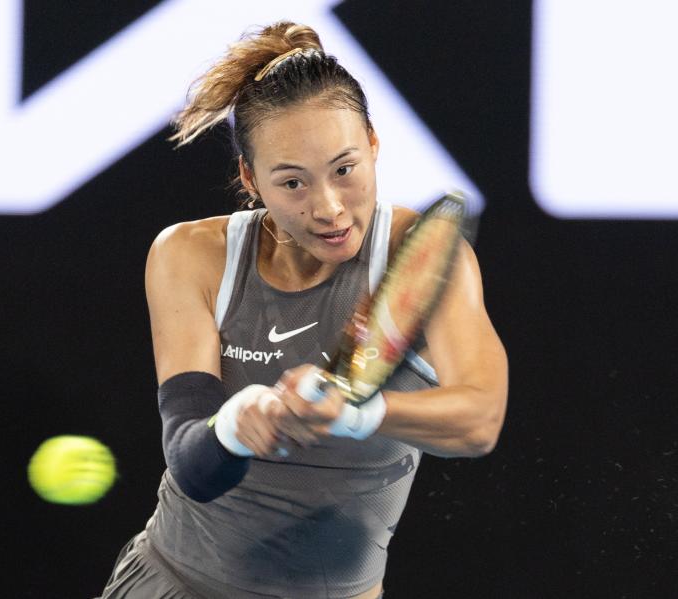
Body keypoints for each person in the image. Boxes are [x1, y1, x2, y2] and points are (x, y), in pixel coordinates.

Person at [98, 21, 508, 599]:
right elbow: (193, 466)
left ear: (373, 144)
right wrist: (236, 425)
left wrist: (355, 412)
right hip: (176, 582)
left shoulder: (425, 255)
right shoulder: (189, 256)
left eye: (345, 169)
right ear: (250, 178)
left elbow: (480, 421)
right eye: (293, 183)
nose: (328, 207)